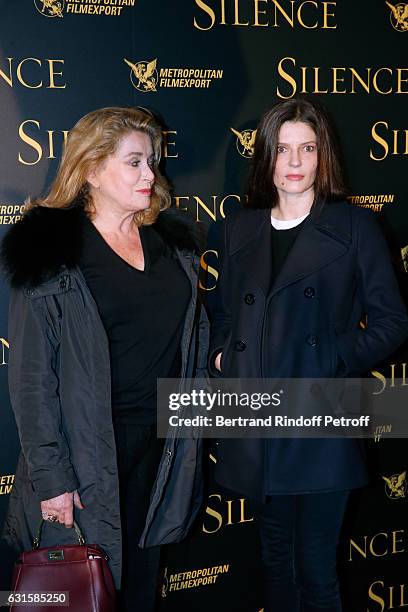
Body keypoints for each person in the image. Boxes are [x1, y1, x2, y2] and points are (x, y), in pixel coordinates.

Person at [1, 106, 208, 612]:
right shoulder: (51, 251)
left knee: (139, 587)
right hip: (87, 458)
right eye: (134, 162)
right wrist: (53, 480)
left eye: (152, 162)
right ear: (92, 169)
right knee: (86, 592)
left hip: (160, 453)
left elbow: (193, 343)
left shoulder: (170, 248)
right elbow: (31, 380)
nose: (150, 175)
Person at [208, 97, 408, 612]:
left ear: (324, 158)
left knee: (316, 571)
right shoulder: (236, 230)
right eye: (282, 149)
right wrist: (221, 359)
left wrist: (334, 358)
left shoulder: (355, 227)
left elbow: (391, 322)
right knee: (275, 564)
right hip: (258, 421)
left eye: (308, 149)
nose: (294, 162)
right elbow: (222, 319)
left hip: (325, 416)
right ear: (265, 158)